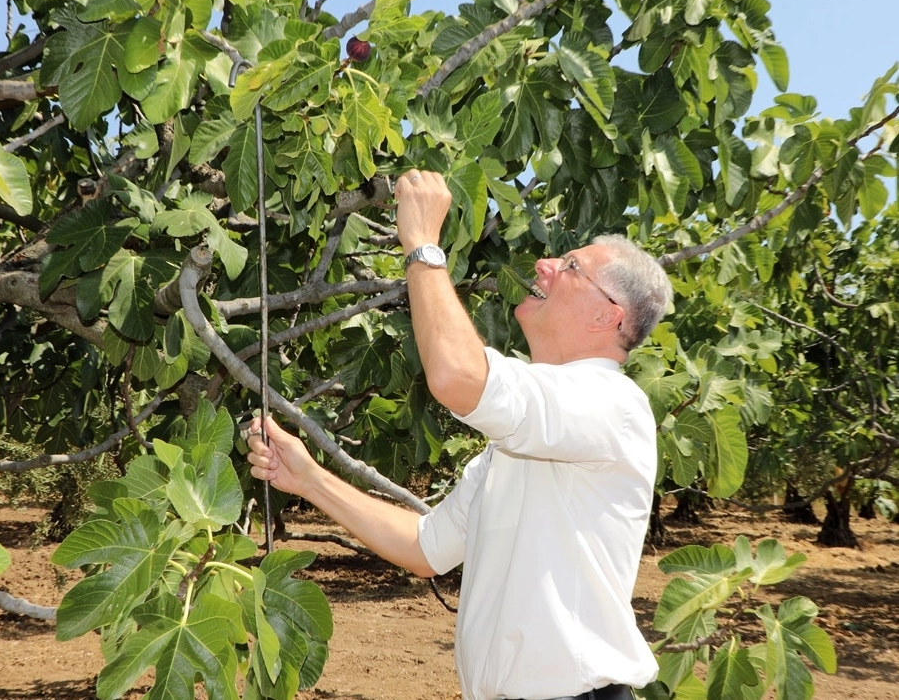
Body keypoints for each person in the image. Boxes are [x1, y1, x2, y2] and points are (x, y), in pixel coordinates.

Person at [246, 170, 673, 700]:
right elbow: (426, 548)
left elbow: (457, 376)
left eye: (570, 266)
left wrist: (423, 244)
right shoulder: (523, 439)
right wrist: (309, 479)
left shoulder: (611, 403)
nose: (544, 264)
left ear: (607, 316)